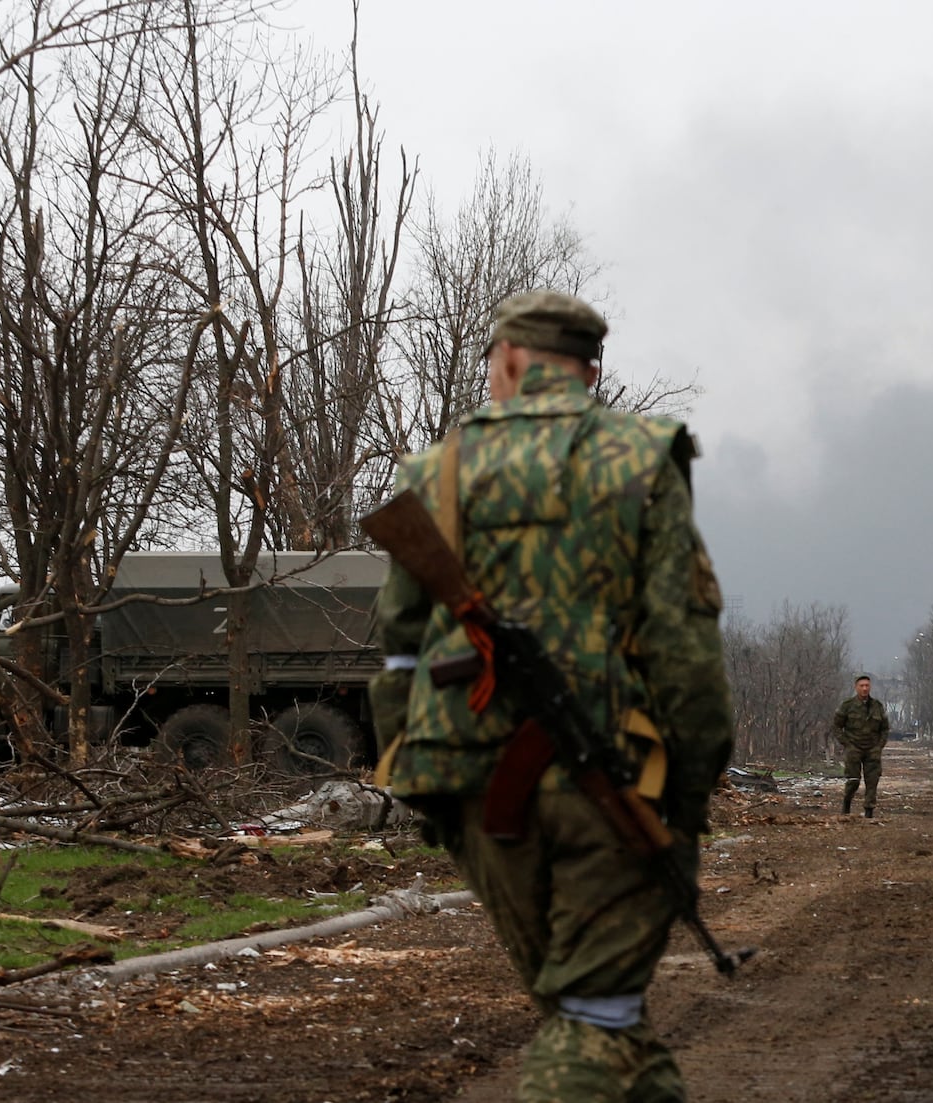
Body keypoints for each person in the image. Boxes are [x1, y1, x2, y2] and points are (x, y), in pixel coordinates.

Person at [369, 289, 731, 1102]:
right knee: (593, 1021)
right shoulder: (641, 455)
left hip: (471, 792)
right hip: (609, 783)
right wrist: (690, 794)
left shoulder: (440, 468)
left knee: (591, 1015)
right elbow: (684, 649)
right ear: (590, 371)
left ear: (507, 361)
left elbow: (397, 649)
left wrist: (418, 779)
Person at [831, 674, 890, 817]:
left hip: (872, 749)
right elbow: (836, 726)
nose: (864, 688)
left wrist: (879, 745)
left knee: (872, 781)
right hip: (853, 748)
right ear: (856, 687)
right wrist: (846, 743)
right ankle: (846, 804)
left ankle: (869, 810)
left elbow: (885, 728)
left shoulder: (877, 706)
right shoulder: (847, 706)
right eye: (861, 686)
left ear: (870, 687)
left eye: (867, 686)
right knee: (853, 780)